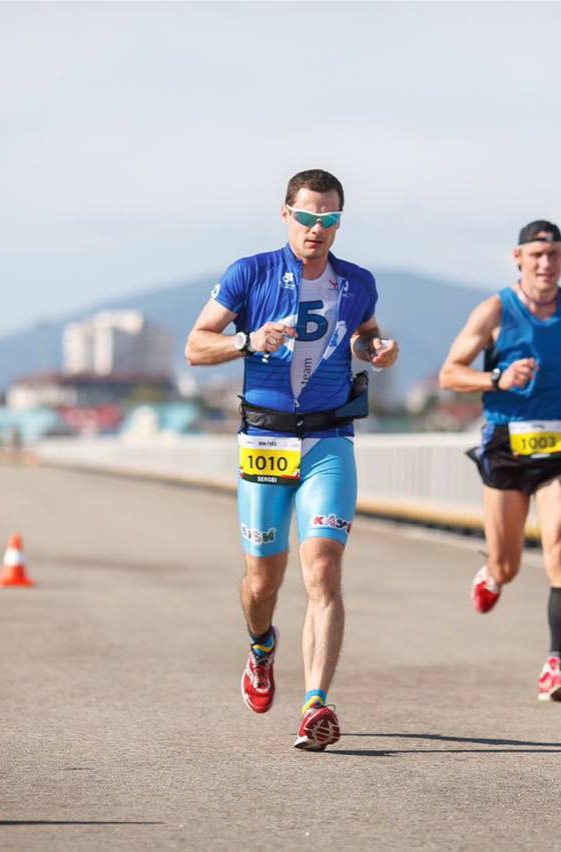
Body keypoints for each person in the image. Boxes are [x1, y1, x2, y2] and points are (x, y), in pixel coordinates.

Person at [185, 169, 398, 749]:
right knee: (263, 582)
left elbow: (363, 334)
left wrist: (375, 350)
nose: (316, 228)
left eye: (329, 219)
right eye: (306, 216)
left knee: (323, 568)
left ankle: (315, 705)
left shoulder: (357, 282)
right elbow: (196, 346)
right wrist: (247, 341)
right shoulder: (249, 273)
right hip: (266, 441)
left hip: (329, 439)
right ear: (285, 215)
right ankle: (261, 647)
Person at [438, 220, 561, 701]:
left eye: (554, 254)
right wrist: (497, 379)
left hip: (559, 443)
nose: (546, 264)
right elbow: (450, 374)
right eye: (537, 255)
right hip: (507, 442)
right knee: (508, 564)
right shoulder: (494, 310)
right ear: (518, 258)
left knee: (559, 550)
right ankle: (493, 574)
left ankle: (555, 665)